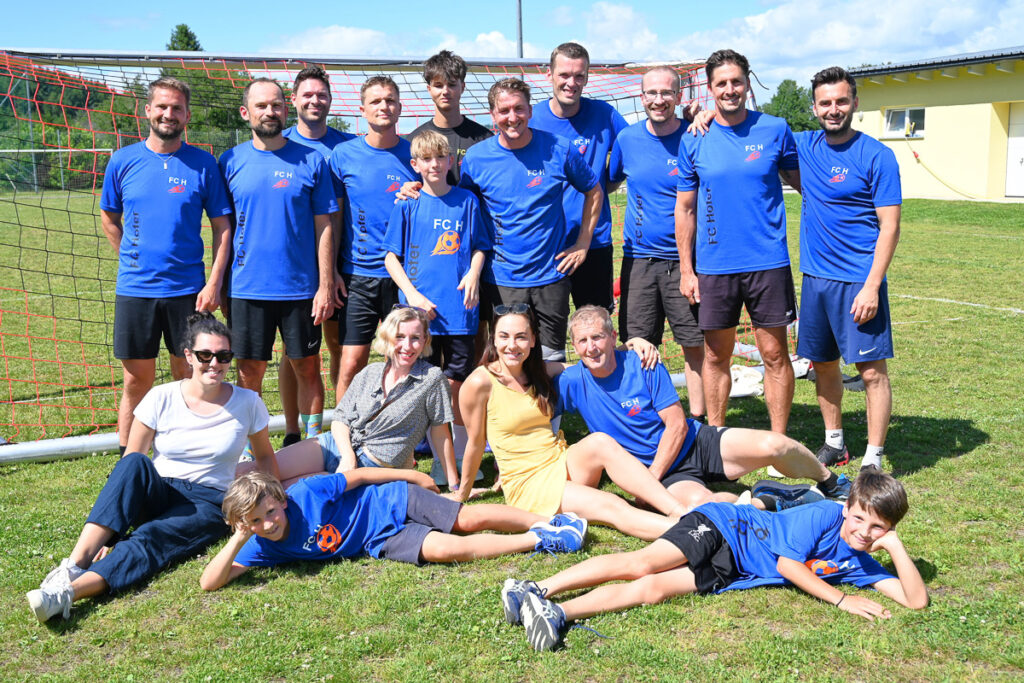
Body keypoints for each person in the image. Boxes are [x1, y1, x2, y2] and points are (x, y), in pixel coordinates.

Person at [26, 312, 279, 623]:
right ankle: (75, 565)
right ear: (188, 356)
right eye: (205, 355)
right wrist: (111, 536)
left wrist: (273, 500)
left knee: (151, 538)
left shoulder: (248, 402)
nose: (215, 363)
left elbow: (265, 457)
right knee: (134, 461)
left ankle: (64, 595)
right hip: (160, 489)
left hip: (208, 502)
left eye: (223, 356)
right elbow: (131, 464)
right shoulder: (161, 396)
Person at [503, 469, 928, 650]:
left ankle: (557, 612)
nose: (863, 532)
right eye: (859, 518)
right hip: (726, 525)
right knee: (643, 563)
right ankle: (535, 588)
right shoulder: (823, 514)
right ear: (847, 507)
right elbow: (787, 566)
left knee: (653, 591)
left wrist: (895, 548)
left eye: (878, 528)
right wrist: (841, 600)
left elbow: (915, 601)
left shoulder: (863, 561)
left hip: (736, 569)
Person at [558, 306, 851, 512]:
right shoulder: (572, 381)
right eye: (582, 341)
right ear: (574, 346)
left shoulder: (643, 362)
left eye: (597, 337)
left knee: (775, 445)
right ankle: (771, 499)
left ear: (612, 338)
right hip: (667, 475)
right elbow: (537, 376)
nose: (591, 347)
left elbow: (677, 426)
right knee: (702, 504)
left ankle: (831, 482)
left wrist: (650, 482)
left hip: (695, 443)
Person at [456, 305, 687, 541]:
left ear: (533, 340)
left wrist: (630, 345)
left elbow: (592, 363)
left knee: (601, 441)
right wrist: (462, 492)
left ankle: (680, 512)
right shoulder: (479, 382)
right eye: (504, 336)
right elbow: (475, 443)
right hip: (530, 483)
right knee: (611, 504)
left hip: (561, 462)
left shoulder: (538, 371)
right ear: (493, 340)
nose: (512, 345)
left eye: (521, 337)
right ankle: (692, 532)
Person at [100, 77, 232, 456]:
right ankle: (130, 461)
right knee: (135, 380)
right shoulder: (122, 161)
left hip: (187, 291)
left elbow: (222, 227)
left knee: (188, 375)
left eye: (176, 108)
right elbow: (109, 216)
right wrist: (130, 256)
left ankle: (185, 452)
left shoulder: (203, 164)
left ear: (187, 115)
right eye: (162, 106)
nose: (168, 114)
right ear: (147, 110)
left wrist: (213, 283)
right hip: (135, 291)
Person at [675, 49, 800, 434]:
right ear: (710, 88)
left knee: (774, 354)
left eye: (736, 82)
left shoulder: (775, 129)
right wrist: (687, 270)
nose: (730, 89)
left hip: (768, 263)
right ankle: (716, 439)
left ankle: (779, 442)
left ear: (748, 83)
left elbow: (805, 185)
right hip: (715, 267)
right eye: (722, 83)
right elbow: (685, 209)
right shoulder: (695, 137)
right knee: (715, 356)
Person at [199, 469, 588, 591]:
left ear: (281, 501)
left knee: (465, 520)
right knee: (446, 550)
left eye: (270, 512)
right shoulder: (260, 545)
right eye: (255, 521)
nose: (268, 524)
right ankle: (541, 539)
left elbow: (359, 476)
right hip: (378, 539)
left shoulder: (306, 492)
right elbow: (209, 584)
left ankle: (543, 519)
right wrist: (239, 538)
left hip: (390, 499)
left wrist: (412, 476)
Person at [219, 78, 337, 449]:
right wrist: (220, 284)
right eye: (261, 106)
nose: (270, 112)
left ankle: (313, 446)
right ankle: (249, 449)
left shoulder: (312, 160)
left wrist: (325, 284)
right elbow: (222, 228)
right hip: (247, 288)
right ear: (246, 113)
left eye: (276, 105)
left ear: (286, 109)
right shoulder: (230, 161)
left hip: (300, 289)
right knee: (248, 371)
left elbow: (325, 225)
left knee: (307, 366)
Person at [794, 67, 902, 472]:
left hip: (858, 281)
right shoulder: (804, 145)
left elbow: (890, 226)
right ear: (814, 107)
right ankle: (834, 442)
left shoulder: (877, 155)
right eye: (825, 103)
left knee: (871, 373)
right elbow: (755, 130)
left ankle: (873, 457)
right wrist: (703, 115)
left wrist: (872, 286)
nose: (833, 109)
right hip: (815, 279)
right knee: (822, 364)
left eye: (841, 101)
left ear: (855, 102)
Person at [460, 78, 602, 362]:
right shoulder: (477, 158)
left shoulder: (559, 148)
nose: (512, 117)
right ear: (493, 114)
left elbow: (594, 190)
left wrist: (583, 243)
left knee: (551, 360)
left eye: (519, 109)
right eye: (504, 111)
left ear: (530, 111)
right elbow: (462, 206)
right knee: (510, 360)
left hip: (551, 276)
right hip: (502, 278)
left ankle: (550, 393)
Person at [241, 307, 459, 491]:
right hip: (337, 445)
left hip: (370, 466)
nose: (407, 346)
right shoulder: (370, 372)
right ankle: (219, 491)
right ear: (387, 337)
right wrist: (348, 457)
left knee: (284, 490)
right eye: (400, 337)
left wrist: (454, 485)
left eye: (415, 338)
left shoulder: (431, 379)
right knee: (255, 470)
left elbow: (441, 433)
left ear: (425, 341)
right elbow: (340, 419)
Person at [383, 131, 489, 485]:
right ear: (415, 165)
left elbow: (479, 246)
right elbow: (390, 257)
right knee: (412, 383)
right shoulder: (407, 203)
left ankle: (451, 460)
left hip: (458, 313)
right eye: (426, 159)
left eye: (440, 158)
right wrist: (412, 295)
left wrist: (473, 273)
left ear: (451, 161)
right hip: (418, 316)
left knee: (455, 385)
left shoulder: (467, 201)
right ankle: (403, 455)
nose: (434, 165)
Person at [608, 66, 705, 419]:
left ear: (679, 97)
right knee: (636, 345)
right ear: (642, 96)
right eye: (652, 93)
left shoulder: (696, 134)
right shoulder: (627, 140)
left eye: (666, 92)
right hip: (639, 260)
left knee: (695, 344)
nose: (659, 99)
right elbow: (606, 183)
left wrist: (706, 115)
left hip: (686, 261)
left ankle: (700, 422)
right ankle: (644, 418)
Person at [279, 66, 355, 447]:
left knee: (340, 345)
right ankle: (293, 431)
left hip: (341, 266)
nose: (314, 101)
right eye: (307, 94)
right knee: (292, 353)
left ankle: (344, 427)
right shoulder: (278, 143)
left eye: (321, 94)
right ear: (293, 99)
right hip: (293, 270)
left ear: (330, 99)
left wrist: (335, 268)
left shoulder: (348, 146)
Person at [329, 76, 418, 398]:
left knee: (405, 360)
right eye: (376, 101)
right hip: (358, 276)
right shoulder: (343, 155)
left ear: (400, 107)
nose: (384, 106)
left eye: (390, 100)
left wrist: (420, 191)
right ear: (362, 109)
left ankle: (401, 424)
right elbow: (334, 217)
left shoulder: (415, 155)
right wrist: (332, 270)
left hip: (405, 276)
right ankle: (345, 426)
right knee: (351, 363)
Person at [531, 42, 627, 312]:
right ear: (549, 74)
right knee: (544, 329)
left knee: (596, 325)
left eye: (578, 76)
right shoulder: (531, 118)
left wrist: (611, 179)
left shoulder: (604, 114)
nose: (571, 83)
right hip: (546, 243)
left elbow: (634, 143)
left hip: (593, 242)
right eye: (564, 75)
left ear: (586, 77)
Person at [408, 50, 493, 186]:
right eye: (438, 85)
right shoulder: (414, 140)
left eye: (452, 84)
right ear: (429, 89)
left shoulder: (484, 139)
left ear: (462, 87)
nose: (445, 91)